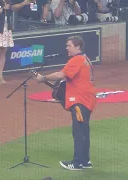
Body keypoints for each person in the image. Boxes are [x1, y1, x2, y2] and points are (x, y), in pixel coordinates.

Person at [35, 35, 96, 170]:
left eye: (69, 45)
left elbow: (60, 75)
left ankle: (77, 162)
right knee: (83, 131)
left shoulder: (77, 59)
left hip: (81, 101)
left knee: (79, 132)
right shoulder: (85, 59)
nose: (66, 48)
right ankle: (85, 161)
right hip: (87, 100)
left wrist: (43, 77)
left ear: (77, 47)